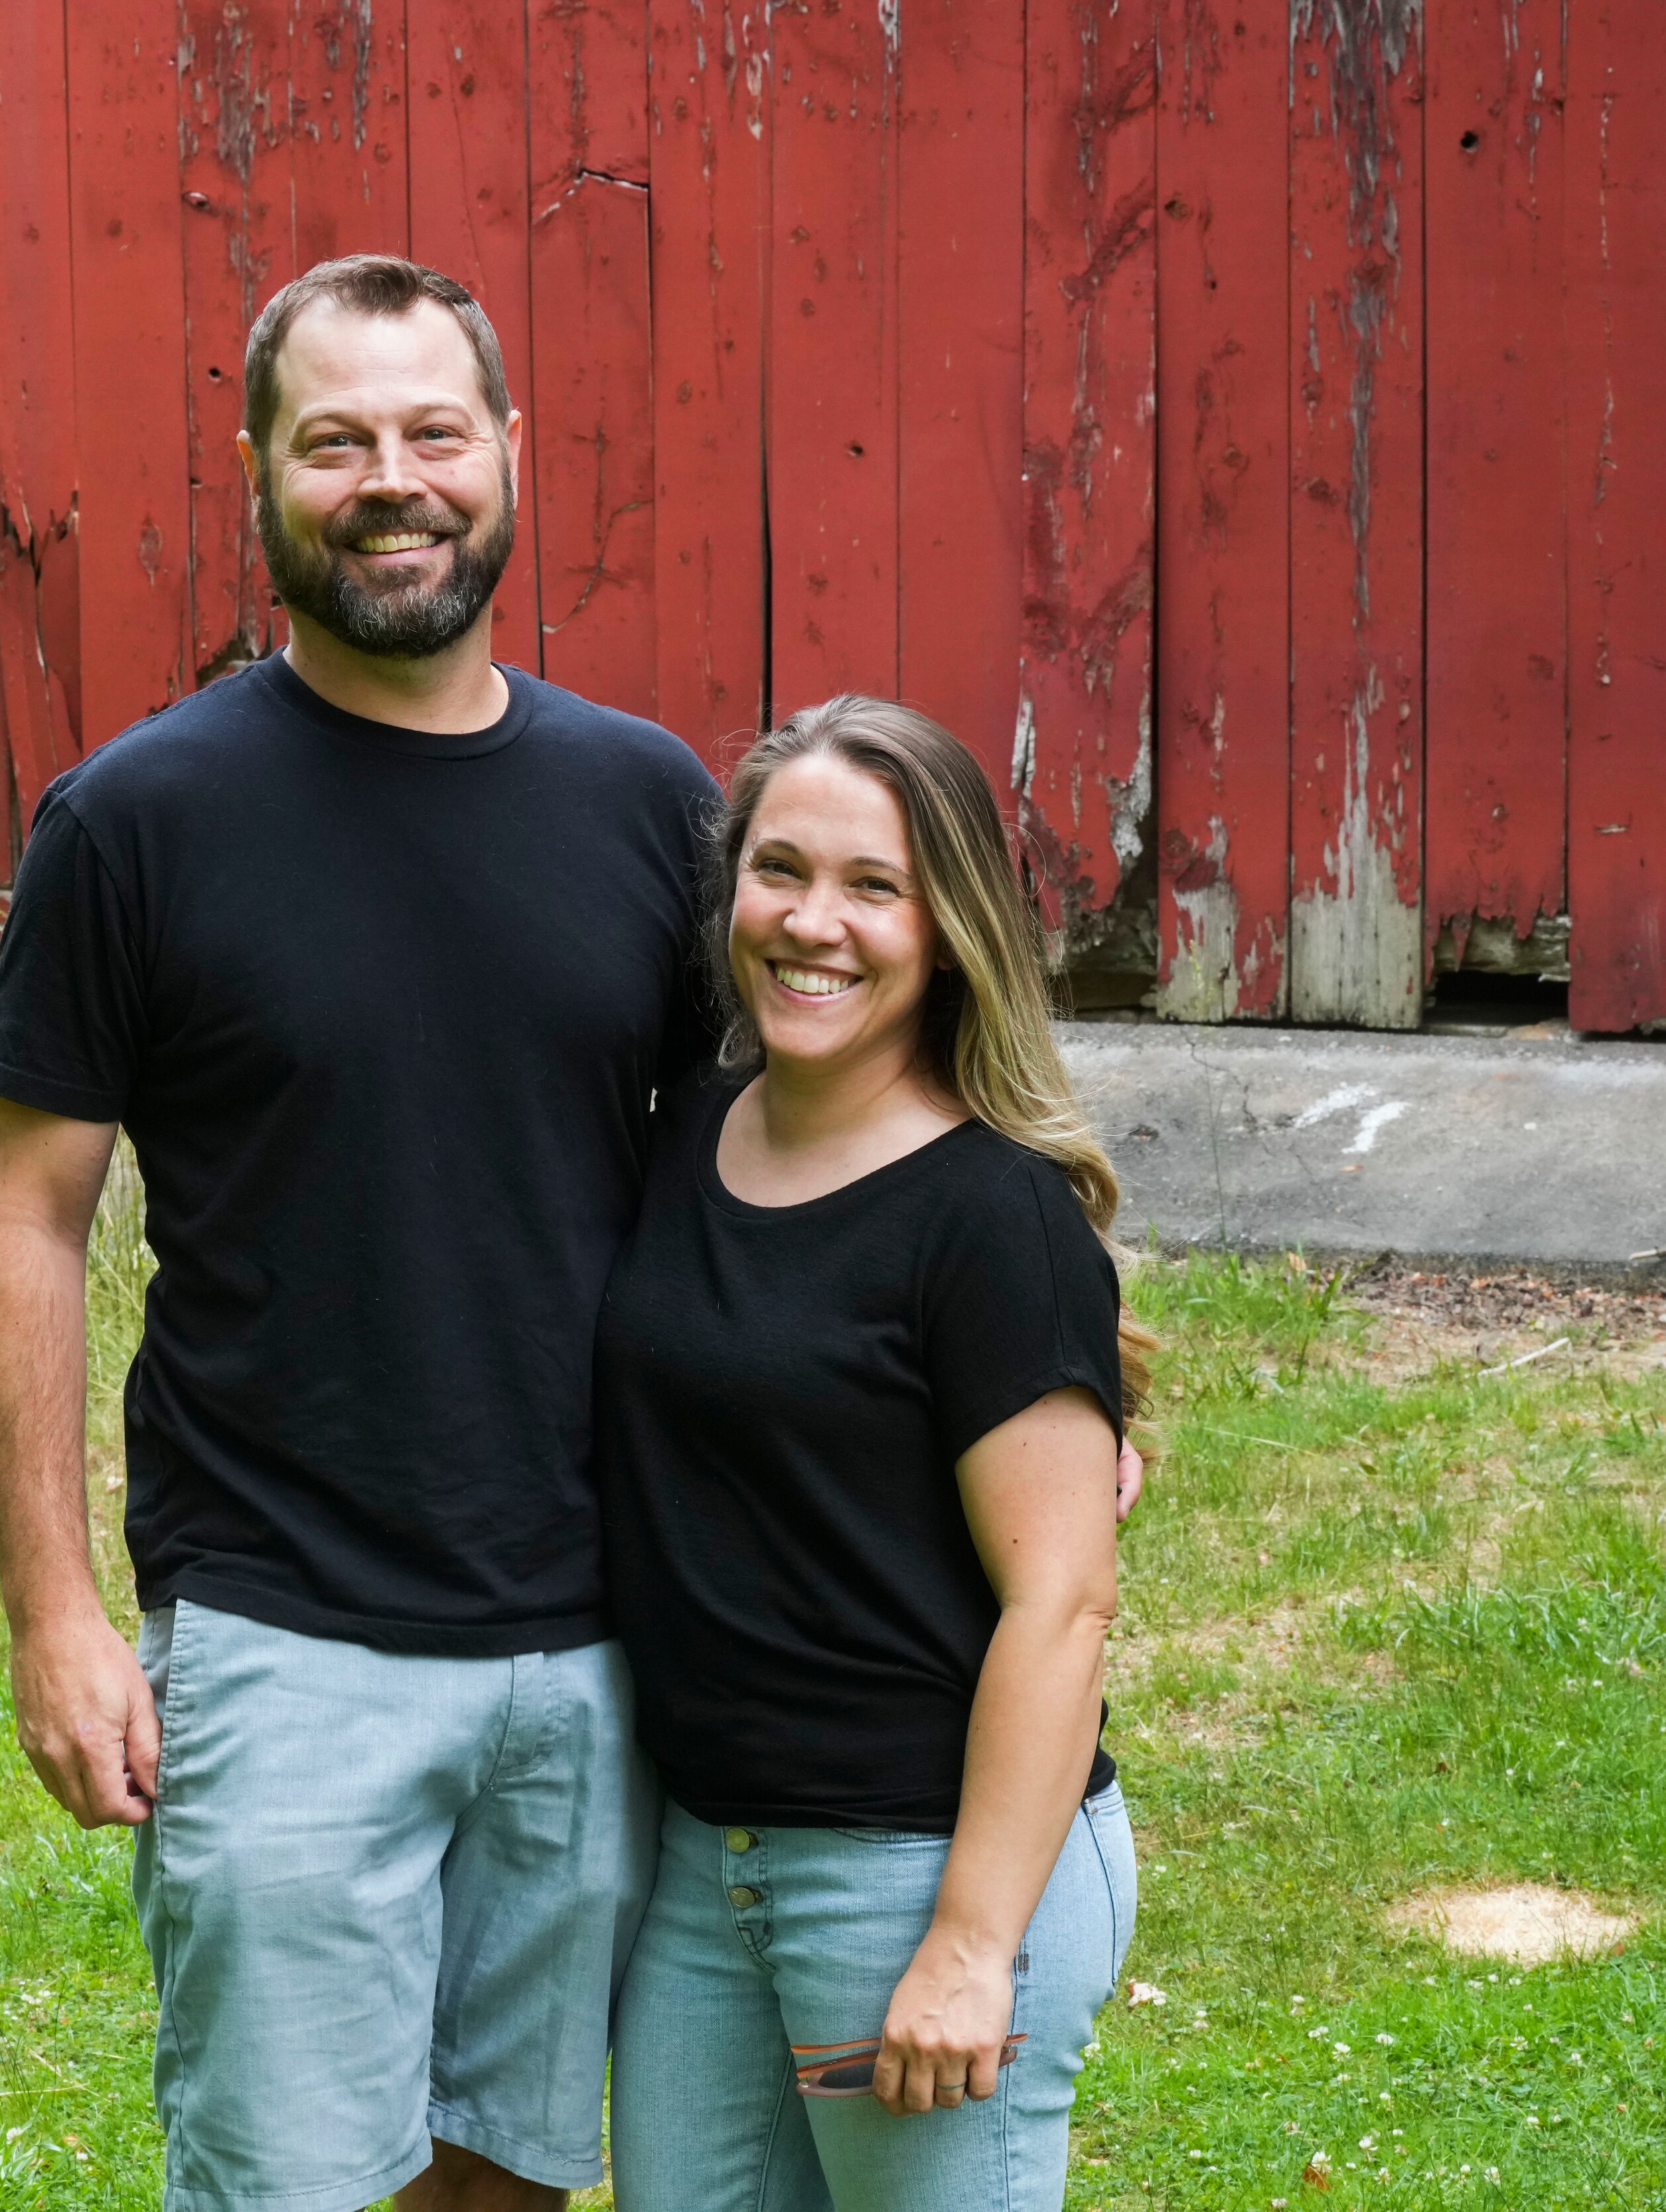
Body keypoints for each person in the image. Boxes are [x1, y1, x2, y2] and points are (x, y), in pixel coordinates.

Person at [0, 254, 719, 2212]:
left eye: (434, 431)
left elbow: (783, 1176)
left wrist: (1047, 1365)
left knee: (508, 2176)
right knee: (285, 2181)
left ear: (508, 455)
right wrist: (53, 1613)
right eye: (339, 441)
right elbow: (29, 1219)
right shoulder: (136, 821)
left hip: (600, 1632)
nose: (396, 479)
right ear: (258, 476)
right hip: (281, 1631)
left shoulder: (652, 807)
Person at [598, 696, 1154, 2211]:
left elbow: (1064, 1605)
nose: (811, 923)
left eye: (872, 886)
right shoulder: (675, 1140)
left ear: (949, 923)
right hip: (709, 1863)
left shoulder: (991, 1217)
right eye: (779, 871)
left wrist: (974, 1941)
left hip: (919, 1865)